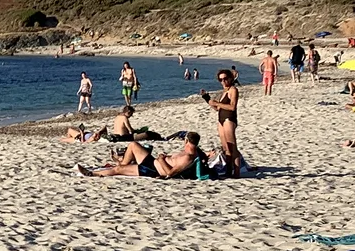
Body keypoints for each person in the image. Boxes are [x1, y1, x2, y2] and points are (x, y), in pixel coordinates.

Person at [77, 132, 205, 179]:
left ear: (186, 141)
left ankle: (93, 174)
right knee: (133, 145)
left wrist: (161, 159)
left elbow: (170, 173)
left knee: (118, 170)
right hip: (152, 162)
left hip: (152, 169)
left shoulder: (188, 157)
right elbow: (203, 155)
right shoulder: (193, 152)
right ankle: (123, 162)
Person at [202, 68, 244, 176]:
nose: (223, 81)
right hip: (221, 119)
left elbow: (232, 107)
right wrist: (207, 99)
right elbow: (218, 108)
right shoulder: (224, 91)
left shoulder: (233, 90)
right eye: (221, 80)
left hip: (229, 119)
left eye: (225, 78)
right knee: (225, 148)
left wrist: (217, 103)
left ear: (230, 78)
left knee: (232, 147)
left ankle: (237, 172)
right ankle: (229, 171)